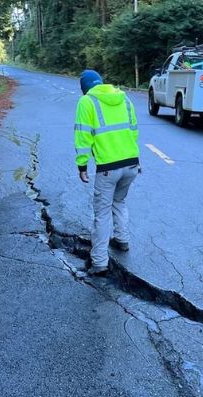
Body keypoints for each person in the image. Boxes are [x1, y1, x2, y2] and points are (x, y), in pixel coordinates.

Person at [74, 70, 141, 275]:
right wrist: (137, 160)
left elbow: (83, 137)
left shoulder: (86, 102)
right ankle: (122, 240)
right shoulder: (124, 98)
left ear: (85, 88)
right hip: (131, 165)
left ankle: (99, 262)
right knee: (119, 202)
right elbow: (133, 131)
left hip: (107, 169)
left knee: (102, 214)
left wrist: (82, 166)